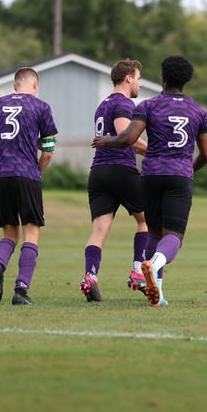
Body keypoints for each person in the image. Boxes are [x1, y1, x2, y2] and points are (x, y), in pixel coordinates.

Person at [92, 55, 207, 306]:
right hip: (179, 175)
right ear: (186, 81)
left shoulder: (148, 106)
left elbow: (127, 137)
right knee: (174, 237)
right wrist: (188, 169)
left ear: (163, 78)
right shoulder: (198, 111)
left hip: (151, 175)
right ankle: (157, 263)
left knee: (154, 233)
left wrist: (107, 140)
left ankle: (157, 293)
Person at [0, 66, 58, 306]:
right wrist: (37, 174)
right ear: (35, 85)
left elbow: (2, 137)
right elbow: (48, 152)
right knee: (31, 230)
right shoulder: (41, 106)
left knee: (9, 230)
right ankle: (21, 290)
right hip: (26, 174)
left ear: (15, 86)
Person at [80, 59, 149, 302]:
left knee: (99, 230)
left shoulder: (103, 104)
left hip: (98, 172)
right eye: (138, 77)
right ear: (128, 78)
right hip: (120, 168)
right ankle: (138, 272)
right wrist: (153, 151)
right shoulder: (123, 102)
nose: (139, 83)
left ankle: (90, 276)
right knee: (147, 220)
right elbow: (125, 135)